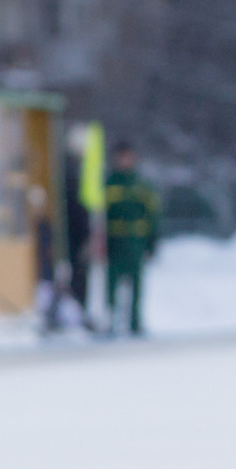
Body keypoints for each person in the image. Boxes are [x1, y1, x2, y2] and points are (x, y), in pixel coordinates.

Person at [103, 142, 159, 337]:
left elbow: (152, 215)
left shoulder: (141, 185)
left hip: (136, 242)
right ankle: (110, 321)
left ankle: (135, 322)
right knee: (111, 284)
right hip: (115, 242)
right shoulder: (109, 184)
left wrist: (152, 243)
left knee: (136, 284)